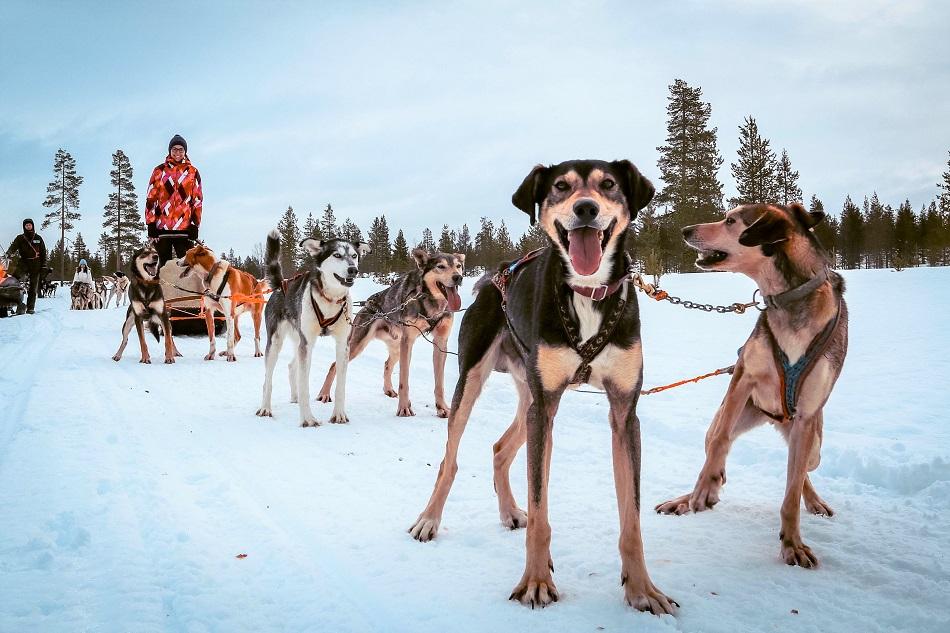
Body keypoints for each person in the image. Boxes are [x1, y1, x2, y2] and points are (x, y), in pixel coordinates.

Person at [144, 134, 203, 266]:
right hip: (162, 228)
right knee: (162, 267)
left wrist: (194, 225)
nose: (177, 152)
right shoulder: (159, 171)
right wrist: (151, 224)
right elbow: (151, 198)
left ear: (185, 151)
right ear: (170, 151)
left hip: (184, 229)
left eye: (181, 149)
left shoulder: (193, 173)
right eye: (174, 149)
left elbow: (197, 200)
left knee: (187, 268)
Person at [5, 218, 46, 314]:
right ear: (24, 227)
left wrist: (43, 266)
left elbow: (43, 253)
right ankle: (10, 304)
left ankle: (30, 308)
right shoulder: (20, 238)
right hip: (23, 262)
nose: (28, 226)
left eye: (30, 225)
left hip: (36, 264)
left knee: (33, 287)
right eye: (26, 225)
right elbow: (13, 247)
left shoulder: (38, 238)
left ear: (33, 226)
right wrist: (8, 254)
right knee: (13, 281)